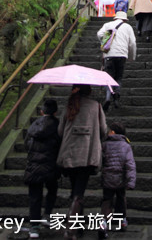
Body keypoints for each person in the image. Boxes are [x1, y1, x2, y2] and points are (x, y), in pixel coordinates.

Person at [56, 85, 107, 240]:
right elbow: (104, 130)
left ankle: (77, 226)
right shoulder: (96, 106)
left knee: (75, 191)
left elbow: (60, 131)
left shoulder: (69, 105)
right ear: (89, 92)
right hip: (86, 154)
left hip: (70, 153)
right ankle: (70, 231)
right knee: (79, 192)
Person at [24, 98, 61, 239]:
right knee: (52, 189)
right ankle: (48, 214)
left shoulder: (34, 125)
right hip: (50, 165)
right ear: (56, 112)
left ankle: (34, 228)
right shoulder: (57, 125)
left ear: (41, 111)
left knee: (34, 196)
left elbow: (27, 143)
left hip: (33, 165)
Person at [98, 122, 136, 239]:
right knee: (121, 200)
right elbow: (130, 165)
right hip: (121, 180)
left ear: (113, 132)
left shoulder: (105, 145)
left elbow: (101, 161)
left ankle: (104, 223)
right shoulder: (126, 146)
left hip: (108, 179)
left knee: (107, 201)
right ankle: (122, 221)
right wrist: (131, 181)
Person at [97, 10, 137, 111]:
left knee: (109, 76)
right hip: (122, 55)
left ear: (115, 18)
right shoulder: (128, 27)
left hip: (109, 54)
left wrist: (105, 40)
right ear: (125, 19)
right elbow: (132, 43)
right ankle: (116, 97)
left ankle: (107, 97)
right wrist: (132, 57)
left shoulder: (107, 24)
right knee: (118, 77)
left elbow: (99, 34)